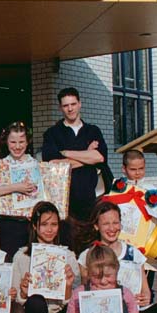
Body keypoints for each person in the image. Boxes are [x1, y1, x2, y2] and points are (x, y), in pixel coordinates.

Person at [41, 87, 108, 222]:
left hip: (92, 198)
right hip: (64, 202)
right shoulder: (52, 133)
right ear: (60, 107)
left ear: (80, 104)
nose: (70, 109)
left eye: (73, 104)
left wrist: (66, 153)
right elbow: (53, 165)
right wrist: (88, 155)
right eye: (66, 105)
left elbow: (100, 157)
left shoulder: (93, 131)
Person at [0, 121, 44, 256]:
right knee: (11, 265)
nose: (17, 146)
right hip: (9, 225)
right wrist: (15, 187)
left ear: (27, 142)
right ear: (6, 142)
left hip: (32, 224)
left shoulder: (37, 165)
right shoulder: (0, 165)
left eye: (21, 142)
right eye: (13, 142)